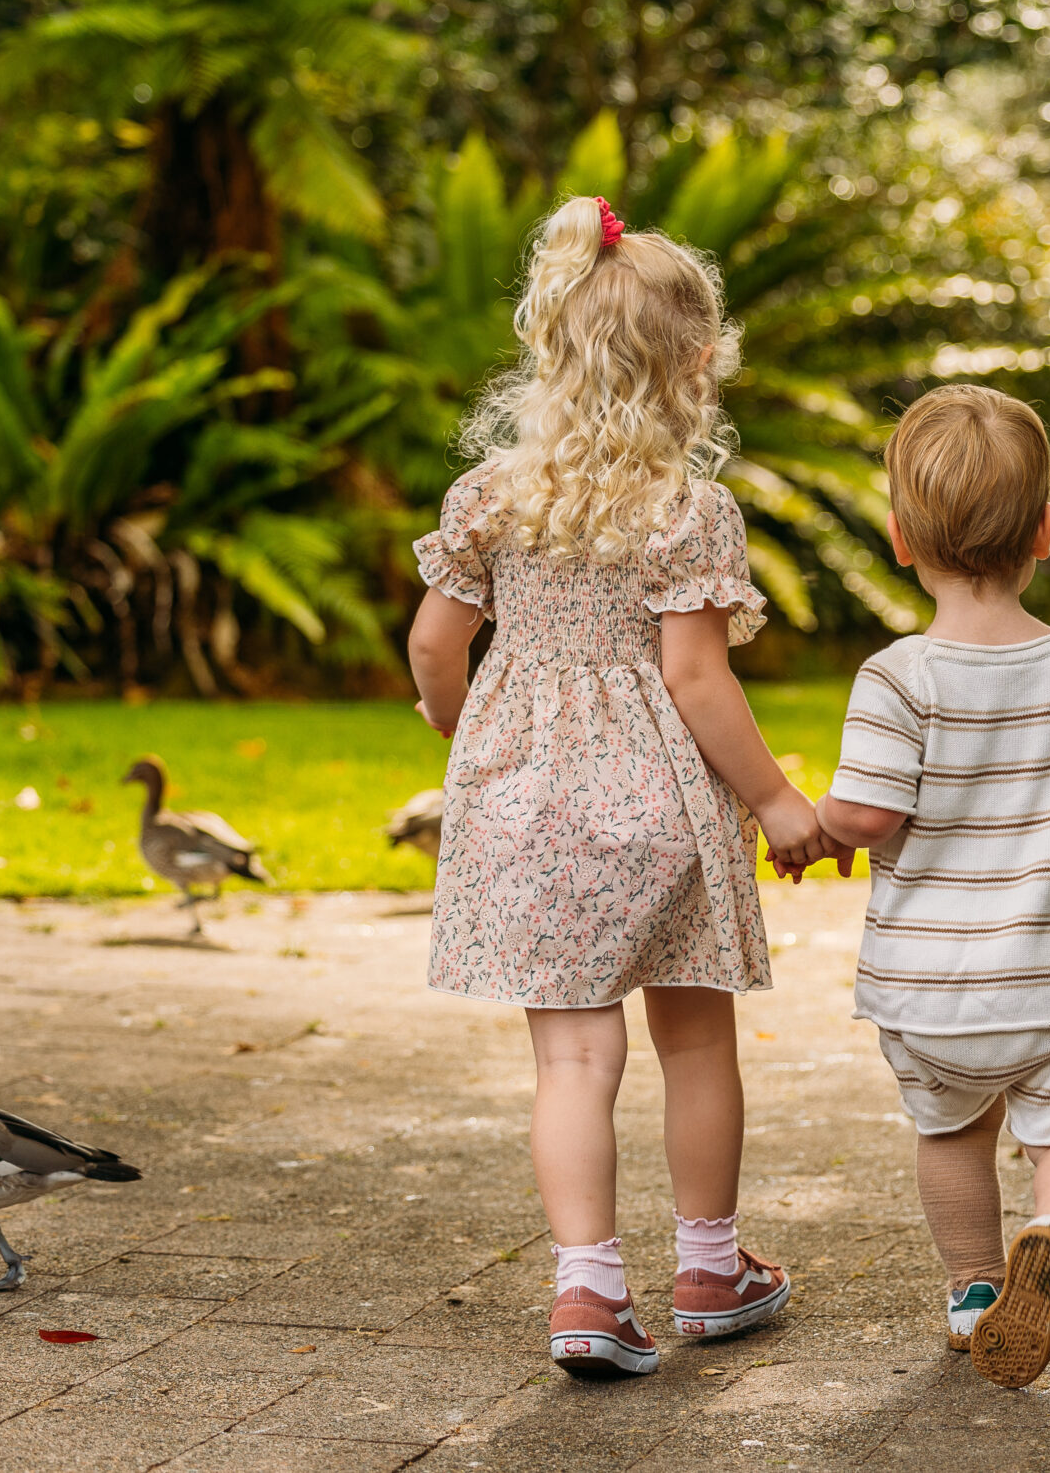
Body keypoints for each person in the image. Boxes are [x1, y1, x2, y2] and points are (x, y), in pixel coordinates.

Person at [407, 195, 827, 1377]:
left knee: (574, 1063)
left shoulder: (490, 496)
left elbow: (437, 650)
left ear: (546, 347)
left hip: (529, 802)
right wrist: (778, 802)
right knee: (695, 1045)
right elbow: (694, 680)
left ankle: (587, 1290)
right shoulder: (689, 510)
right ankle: (710, 1264)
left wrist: (459, 728)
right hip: (661, 807)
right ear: (698, 366)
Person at [814, 384, 1050, 1390]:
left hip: (932, 990)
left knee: (953, 1133)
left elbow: (870, 815)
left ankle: (973, 1290)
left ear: (898, 538)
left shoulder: (895, 678)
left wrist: (815, 828)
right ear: (1044, 532)